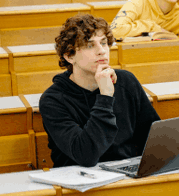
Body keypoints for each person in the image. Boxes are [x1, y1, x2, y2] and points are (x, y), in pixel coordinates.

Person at [39, 14, 160, 167]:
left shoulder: (126, 82)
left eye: (104, 43)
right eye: (90, 45)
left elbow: (154, 137)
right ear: (70, 56)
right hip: (80, 181)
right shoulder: (53, 100)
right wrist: (106, 97)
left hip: (126, 175)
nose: (102, 51)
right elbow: (86, 155)